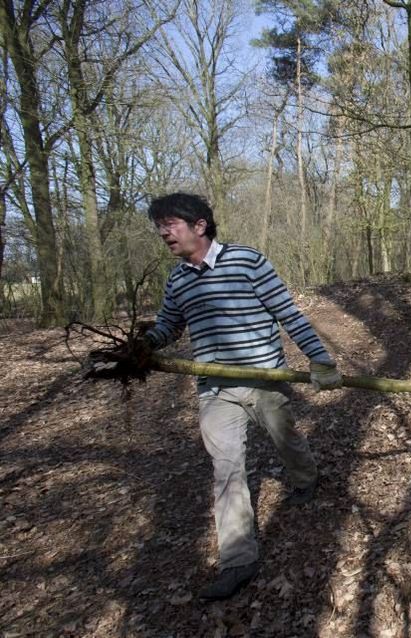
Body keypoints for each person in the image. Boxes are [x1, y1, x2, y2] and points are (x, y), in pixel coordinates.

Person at [141, 193, 342, 601]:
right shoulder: (177, 280)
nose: (163, 231)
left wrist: (319, 359)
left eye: (171, 222)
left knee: (288, 442)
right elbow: (168, 326)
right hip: (215, 391)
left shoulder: (247, 261)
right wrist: (141, 347)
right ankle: (238, 560)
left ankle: (306, 479)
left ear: (200, 225)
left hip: (265, 378)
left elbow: (288, 312)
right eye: (159, 224)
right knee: (227, 470)